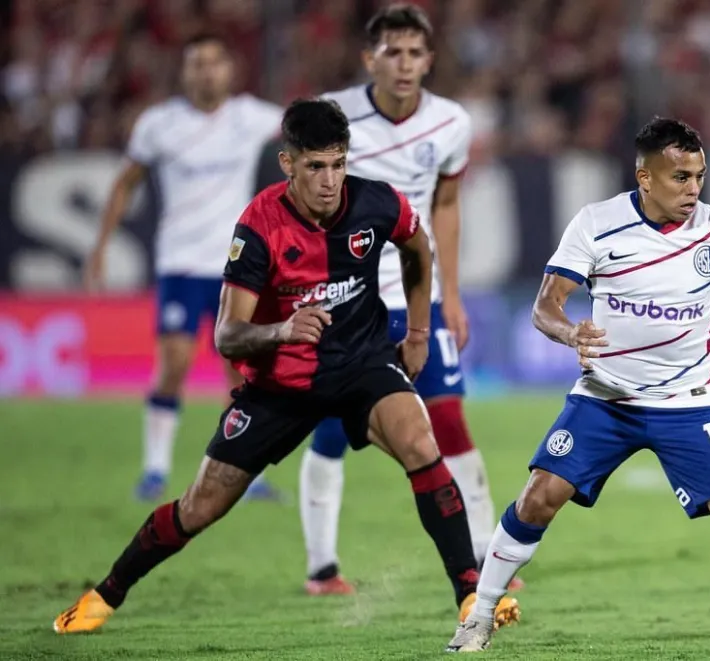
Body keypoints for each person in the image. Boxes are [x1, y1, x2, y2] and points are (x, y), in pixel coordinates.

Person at [53, 98, 520, 635]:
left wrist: (416, 333)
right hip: (281, 385)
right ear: (288, 163)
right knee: (200, 507)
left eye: (338, 163)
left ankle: (470, 597)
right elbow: (228, 335)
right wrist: (282, 330)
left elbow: (418, 247)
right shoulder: (259, 225)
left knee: (420, 442)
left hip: (361, 365)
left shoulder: (376, 204)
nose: (329, 180)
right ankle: (103, 597)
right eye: (316, 166)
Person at [446, 117, 710, 652]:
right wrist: (570, 333)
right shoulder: (596, 224)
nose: (693, 189)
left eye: (699, 176)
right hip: (605, 400)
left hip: (688, 401)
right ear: (645, 177)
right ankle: (480, 613)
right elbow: (546, 305)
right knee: (540, 498)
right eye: (680, 177)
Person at [296, 3, 520, 598]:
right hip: (349, 299)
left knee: (448, 417)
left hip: (420, 296)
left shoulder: (450, 123)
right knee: (332, 431)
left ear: (430, 60)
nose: (403, 63)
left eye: (414, 53)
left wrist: (452, 293)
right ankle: (322, 568)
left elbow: (445, 206)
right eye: (391, 52)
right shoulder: (335, 115)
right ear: (370, 57)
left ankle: (485, 557)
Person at [84, 32, 284, 502]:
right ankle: (155, 470)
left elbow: (306, 126)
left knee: (240, 372)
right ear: (184, 72)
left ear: (229, 71)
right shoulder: (159, 124)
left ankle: (246, 471)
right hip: (179, 261)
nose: (207, 71)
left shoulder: (249, 116)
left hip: (234, 266)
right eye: (197, 63)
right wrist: (100, 246)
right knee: (173, 364)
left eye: (215, 62)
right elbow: (124, 182)